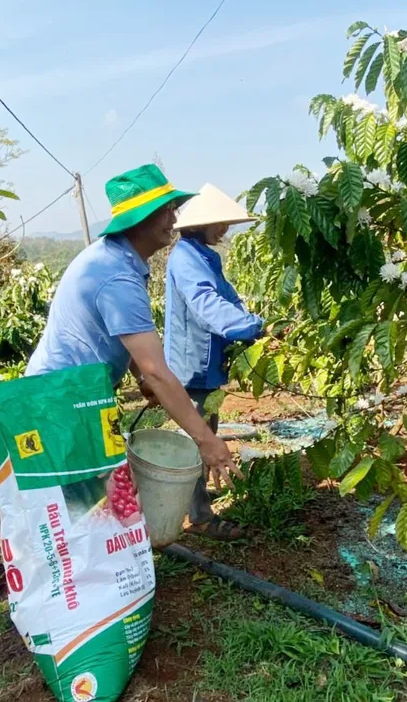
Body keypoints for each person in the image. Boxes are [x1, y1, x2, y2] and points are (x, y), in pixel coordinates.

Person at [26, 164, 242, 489]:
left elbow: (122, 341)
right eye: (166, 211)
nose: (174, 219)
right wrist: (206, 440)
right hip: (62, 402)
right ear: (140, 219)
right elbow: (156, 369)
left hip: (76, 395)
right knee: (88, 504)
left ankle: (149, 539)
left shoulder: (116, 261)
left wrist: (138, 377)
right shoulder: (117, 276)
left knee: (108, 499)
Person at [164, 183, 264, 540]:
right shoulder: (186, 258)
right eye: (219, 223)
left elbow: (228, 298)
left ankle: (198, 498)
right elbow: (208, 307)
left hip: (209, 363)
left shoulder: (205, 256)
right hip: (192, 363)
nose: (224, 229)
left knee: (208, 431)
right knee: (198, 438)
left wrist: (249, 316)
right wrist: (254, 327)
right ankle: (200, 517)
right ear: (200, 224)